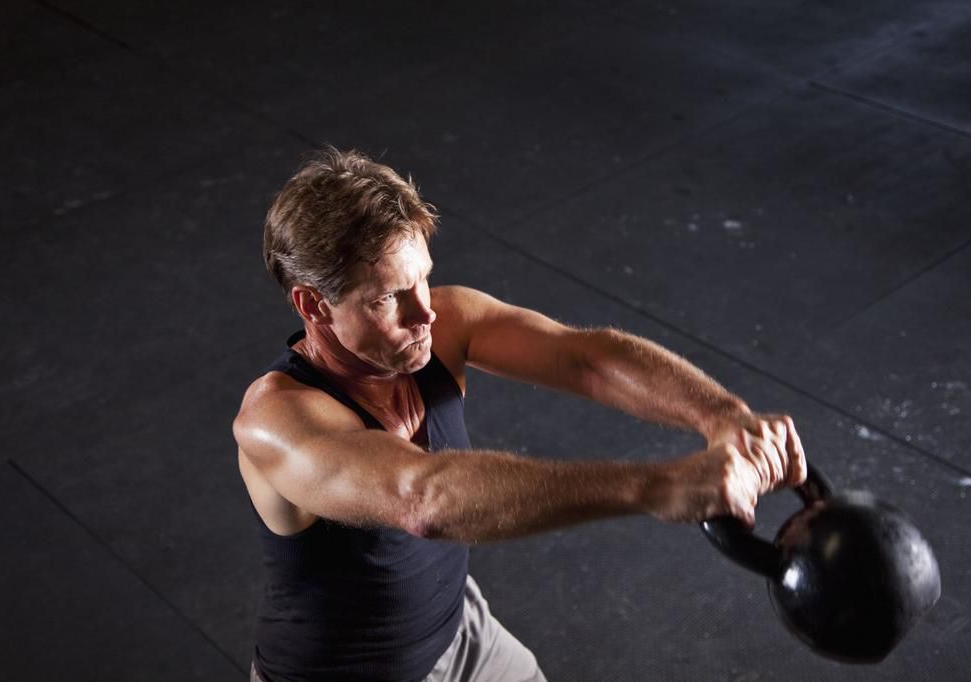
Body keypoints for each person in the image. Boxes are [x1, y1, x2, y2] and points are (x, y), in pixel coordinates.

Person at [233, 147, 807, 682]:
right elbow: (422, 498)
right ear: (313, 304)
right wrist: (656, 486)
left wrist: (723, 415)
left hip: (461, 635)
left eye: (423, 278)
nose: (425, 312)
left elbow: (586, 359)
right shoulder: (277, 422)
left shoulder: (441, 323)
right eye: (387, 298)